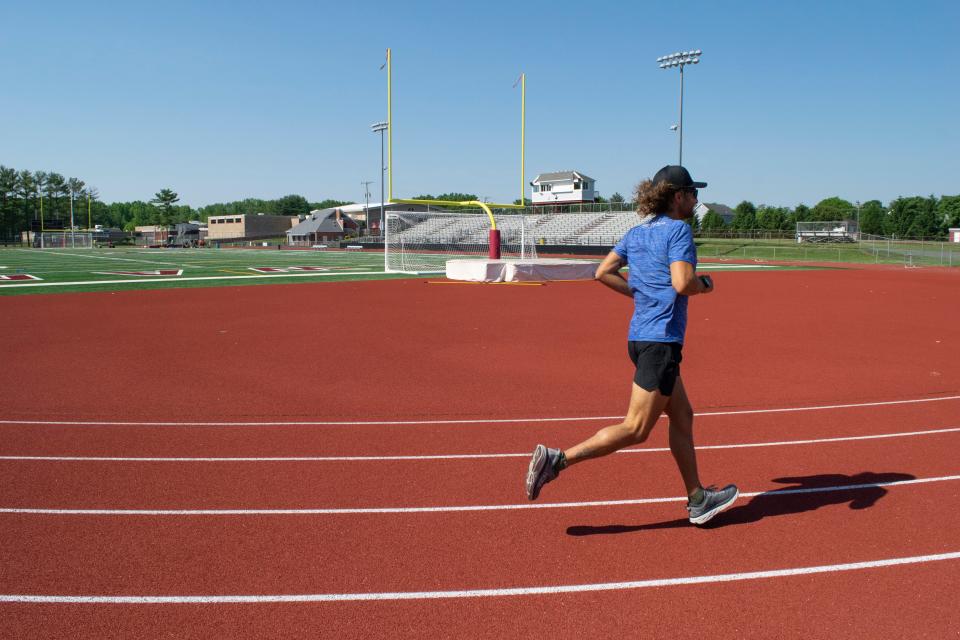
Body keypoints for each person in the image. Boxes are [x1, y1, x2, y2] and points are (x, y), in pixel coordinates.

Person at [524, 165, 738, 526]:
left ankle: (698, 498)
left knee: (682, 416)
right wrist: (705, 283)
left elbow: (602, 271)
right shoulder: (679, 231)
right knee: (636, 428)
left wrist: (640, 295)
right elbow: (683, 283)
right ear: (677, 197)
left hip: (641, 337)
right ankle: (557, 459)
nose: (696, 200)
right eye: (692, 193)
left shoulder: (636, 233)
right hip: (660, 343)